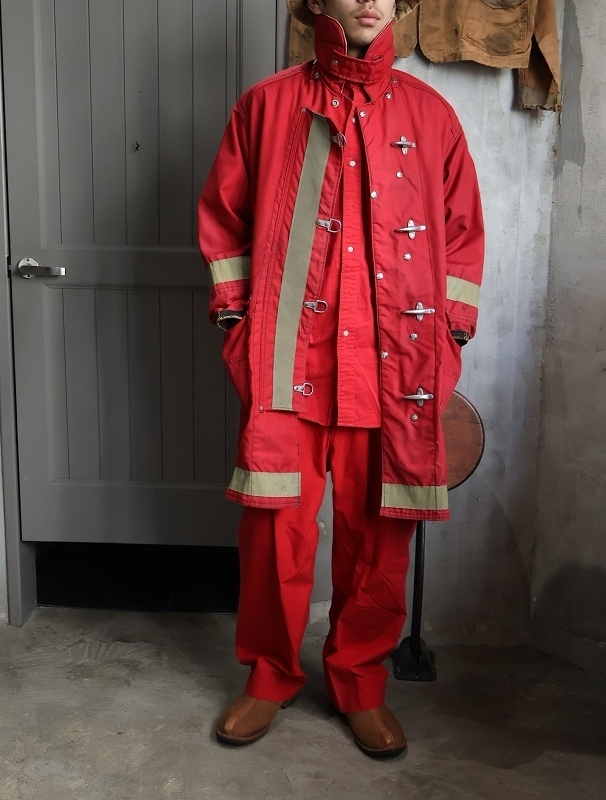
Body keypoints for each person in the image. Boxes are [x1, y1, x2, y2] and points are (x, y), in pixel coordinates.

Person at [198, 0, 484, 757]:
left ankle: (361, 684)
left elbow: (462, 235)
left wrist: (449, 335)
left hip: (393, 369)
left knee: (379, 535)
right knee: (273, 532)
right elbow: (224, 218)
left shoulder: (431, 115)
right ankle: (268, 677)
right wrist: (237, 323)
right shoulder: (265, 106)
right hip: (289, 361)